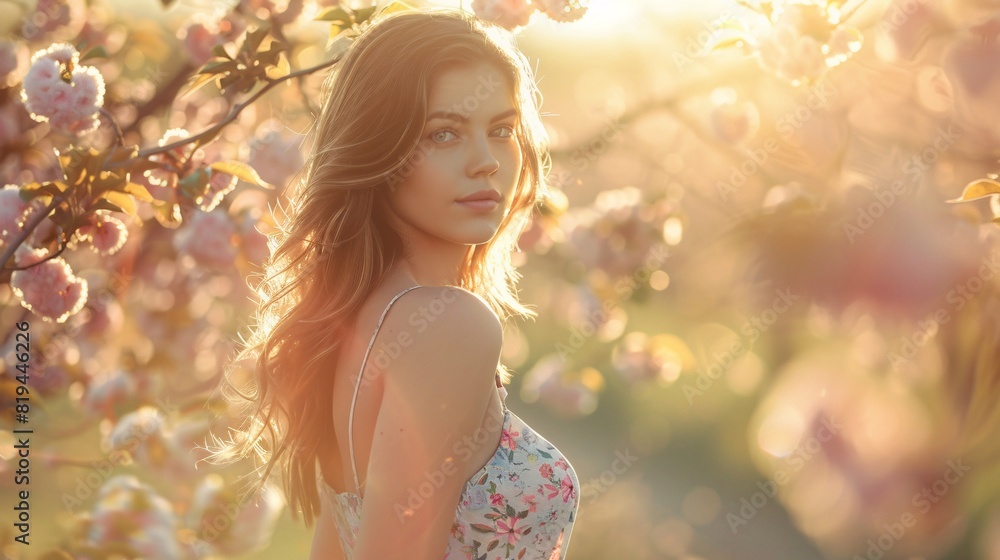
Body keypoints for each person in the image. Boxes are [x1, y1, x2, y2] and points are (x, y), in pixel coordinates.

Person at [206, 7, 579, 560]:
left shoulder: (357, 320)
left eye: (501, 130)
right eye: (444, 133)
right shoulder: (447, 326)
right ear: (378, 150)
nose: (486, 162)